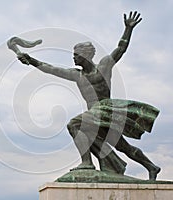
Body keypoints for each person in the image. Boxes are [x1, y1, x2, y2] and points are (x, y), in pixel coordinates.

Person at [17, 11, 161, 180]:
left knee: (74, 124)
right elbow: (51, 68)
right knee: (122, 146)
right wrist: (31, 60)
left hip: (107, 109)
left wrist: (128, 29)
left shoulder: (104, 66)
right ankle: (151, 167)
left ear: (85, 55)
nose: (73, 58)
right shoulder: (77, 75)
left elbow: (120, 49)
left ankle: (87, 163)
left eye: (76, 55)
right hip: (95, 114)